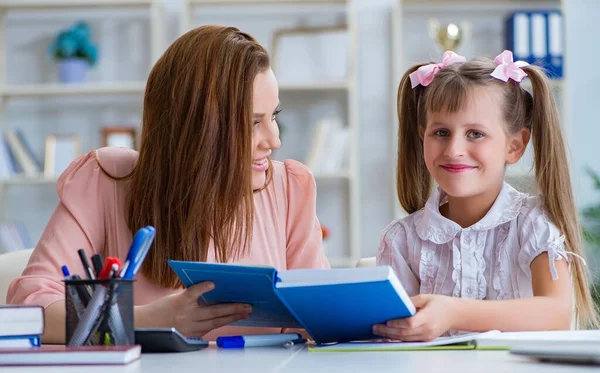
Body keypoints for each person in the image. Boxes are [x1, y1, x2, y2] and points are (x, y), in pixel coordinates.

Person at [7, 25, 329, 343]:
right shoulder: (106, 179)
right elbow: (29, 307)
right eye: (252, 122)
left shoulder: (290, 187)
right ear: (197, 129)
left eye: (274, 115)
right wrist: (146, 319)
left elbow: (321, 318)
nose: (274, 139)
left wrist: (372, 326)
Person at [374, 50, 598, 342]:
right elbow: (388, 335)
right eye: (441, 132)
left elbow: (556, 312)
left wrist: (454, 312)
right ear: (422, 136)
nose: (454, 149)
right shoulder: (402, 240)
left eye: (475, 134)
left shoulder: (533, 224)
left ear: (514, 146)